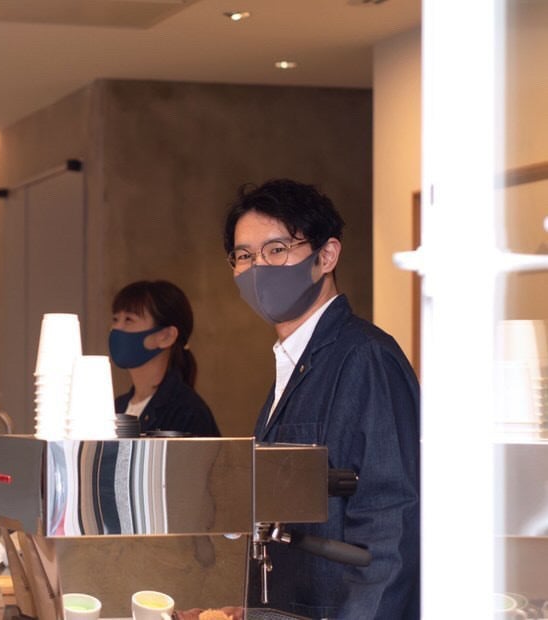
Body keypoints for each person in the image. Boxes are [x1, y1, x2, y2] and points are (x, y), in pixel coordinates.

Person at [223, 179, 420, 619]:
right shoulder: (294, 360)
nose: (258, 267)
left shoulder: (364, 357)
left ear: (326, 255)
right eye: (244, 256)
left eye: (276, 250)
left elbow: (390, 521)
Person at [109, 280, 221, 437]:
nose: (116, 328)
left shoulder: (187, 412)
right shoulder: (115, 408)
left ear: (166, 336)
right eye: (115, 319)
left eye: (129, 320)